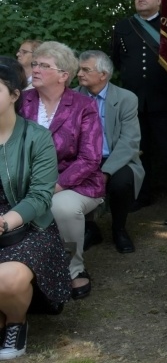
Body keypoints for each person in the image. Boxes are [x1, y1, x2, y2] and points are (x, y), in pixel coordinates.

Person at [19, 42, 104, 299]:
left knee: (61, 208)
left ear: (63, 75)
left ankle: (73, 268)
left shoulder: (83, 106)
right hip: (25, 180)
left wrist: (51, 187)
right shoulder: (20, 101)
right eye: (34, 64)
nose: (35, 69)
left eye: (44, 66)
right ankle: (24, 270)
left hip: (76, 183)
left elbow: (90, 158)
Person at [0, 57, 70, 360]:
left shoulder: (36, 137)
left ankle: (15, 323)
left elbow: (41, 196)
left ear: (15, 95)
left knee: (7, 280)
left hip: (29, 227)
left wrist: (4, 223)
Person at [111, 0, 167, 211]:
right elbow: (118, 60)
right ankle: (142, 195)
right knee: (139, 151)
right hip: (133, 101)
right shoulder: (123, 26)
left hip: (165, 99)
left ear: (159, 0)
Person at [76, 51, 144, 254]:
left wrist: (106, 171)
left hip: (115, 158)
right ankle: (89, 229)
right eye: (79, 69)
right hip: (82, 158)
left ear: (103, 74)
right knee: (75, 179)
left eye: (85, 69)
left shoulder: (125, 98)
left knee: (121, 181)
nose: (79, 74)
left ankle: (119, 228)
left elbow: (129, 141)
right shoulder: (71, 97)